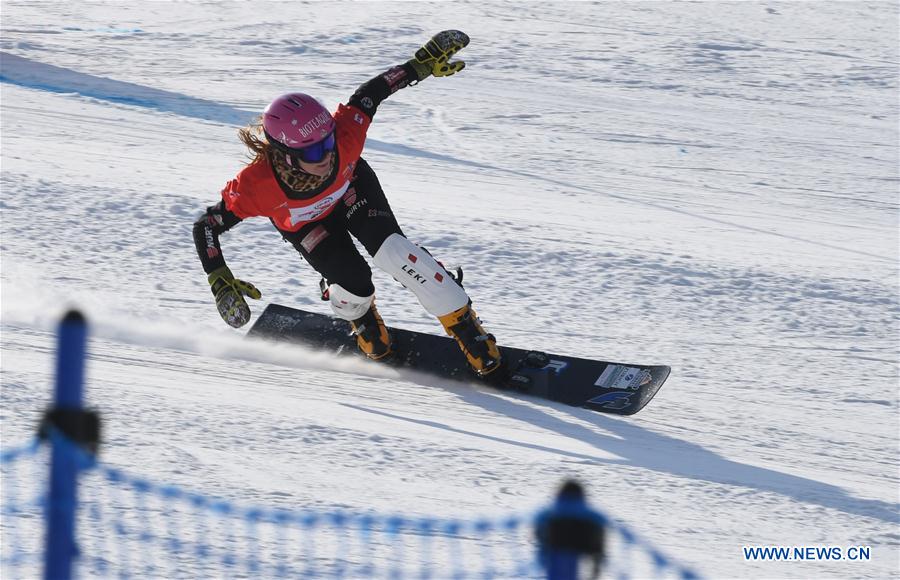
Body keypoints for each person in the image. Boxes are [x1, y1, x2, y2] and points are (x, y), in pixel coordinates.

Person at [192, 30, 504, 379]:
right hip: (309, 225)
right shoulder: (256, 186)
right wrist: (218, 275)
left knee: (395, 254)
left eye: (327, 141)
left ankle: (463, 323)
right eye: (312, 151)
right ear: (284, 154)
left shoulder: (344, 137)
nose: (326, 155)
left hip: (353, 189)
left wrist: (418, 66)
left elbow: (372, 93)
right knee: (355, 283)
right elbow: (207, 226)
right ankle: (358, 313)